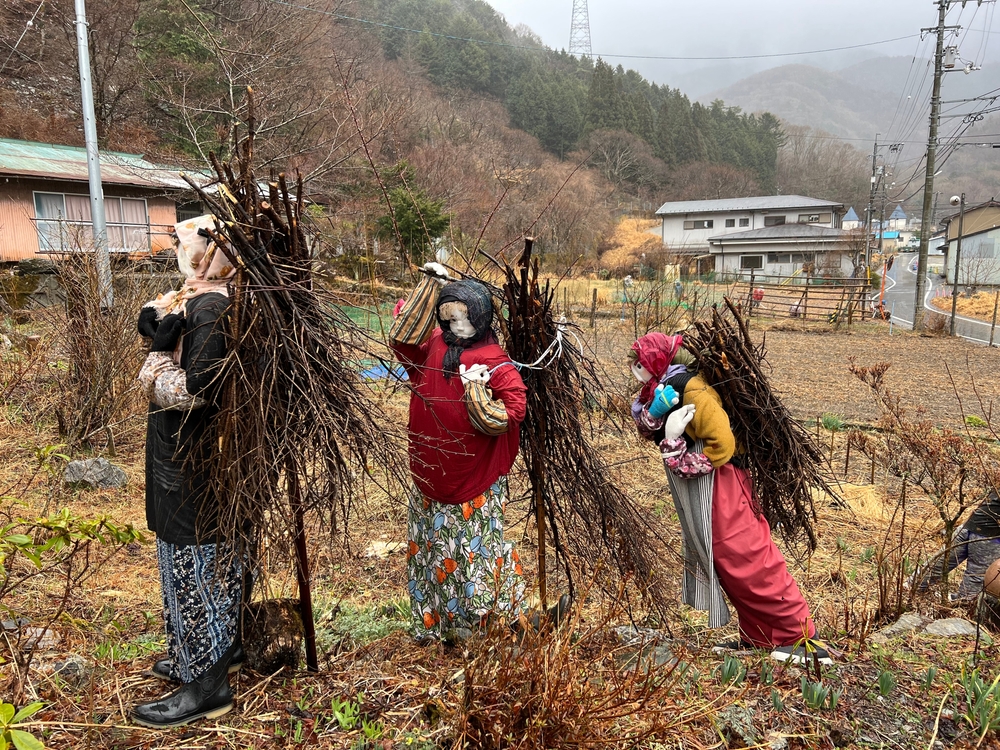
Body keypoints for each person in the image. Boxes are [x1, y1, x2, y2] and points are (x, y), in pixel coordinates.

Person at [629, 331, 830, 664]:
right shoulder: (661, 389)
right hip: (706, 487)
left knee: (744, 553)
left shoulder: (691, 389)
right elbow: (647, 424)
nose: (635, 370)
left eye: (640, 364)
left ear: (658, 361)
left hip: (721, 484)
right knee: (724, 559)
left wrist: (678, 453)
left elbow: (722, 444)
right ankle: (759, 635)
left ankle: (800, 638)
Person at [131, 215, 244, 728]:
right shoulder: (205, 296)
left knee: (195, 568)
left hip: (194, 462)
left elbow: (198, 391)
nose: (179, 251)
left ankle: (207, 685)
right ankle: (201, 658)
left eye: (187, 244)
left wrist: (157, 357)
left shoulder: (211, 308)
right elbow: (173, 321)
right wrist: (157, 323)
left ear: (207, 255)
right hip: (188, 458)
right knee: (192, 564)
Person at [389, 263, 529, 643]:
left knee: (473, 553)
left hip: (471, 481)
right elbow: (403, 342)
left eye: (463, 319)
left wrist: (483, 400)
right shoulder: (434, 345)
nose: (456, 327)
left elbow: (515, 406)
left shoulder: (492, 359)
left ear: (479, 319)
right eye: (449, 318)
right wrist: (427, 290)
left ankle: (490, 624)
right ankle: (437, 625)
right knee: (433, 552)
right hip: (431, 474)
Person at [919, 492, 1000, 600]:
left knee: (939, 563)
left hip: (970, 524)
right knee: (976, 579)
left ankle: (911, 588)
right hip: (989, 535)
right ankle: (963, 604)